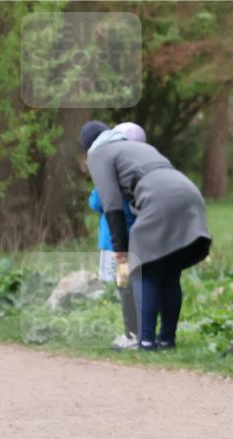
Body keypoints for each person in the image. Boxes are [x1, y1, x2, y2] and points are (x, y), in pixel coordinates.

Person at [81, 120, 211, 351]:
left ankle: (146, 341)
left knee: (143, 268)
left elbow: (111, 205)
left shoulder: (98, 154)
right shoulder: (138, 148)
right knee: (170, 271)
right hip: (190, 195)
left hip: (159, 201)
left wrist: (121, 252)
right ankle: (167, 340)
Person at [89, 122, 146, 350]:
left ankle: (131, 333)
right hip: (139, 239)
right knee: (140, 284)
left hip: (116, 243)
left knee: (124, 287)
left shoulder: (110, 174)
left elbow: (96, 202)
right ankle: (144, 331)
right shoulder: (139, 175)